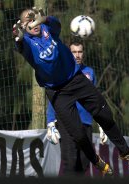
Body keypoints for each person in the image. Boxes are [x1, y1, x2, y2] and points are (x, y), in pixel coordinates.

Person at [12, 7, 129, 176]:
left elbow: (56, 24)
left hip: (75, 79)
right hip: (57, 91)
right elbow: (20, 44)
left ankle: (125, 152)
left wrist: (43, 19)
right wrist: (19, 39)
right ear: (23, 25)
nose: (33, 23)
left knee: (105, 116)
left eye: (34, 18)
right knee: (78, 135)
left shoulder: (47, 29)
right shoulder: (27, 43)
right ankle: (96, 160)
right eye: (28, 21)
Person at [46, 41, 108, 176]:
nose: (77, 55)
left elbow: (94, 100)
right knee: (70, 161)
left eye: (80, 52)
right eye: (74, 52)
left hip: (86, 123)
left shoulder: (89, 73)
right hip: (67, 123)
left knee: (85, 163)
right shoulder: (61, 72)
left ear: (83, 53)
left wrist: (102, 123)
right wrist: (50, 122)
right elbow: (53, 97)